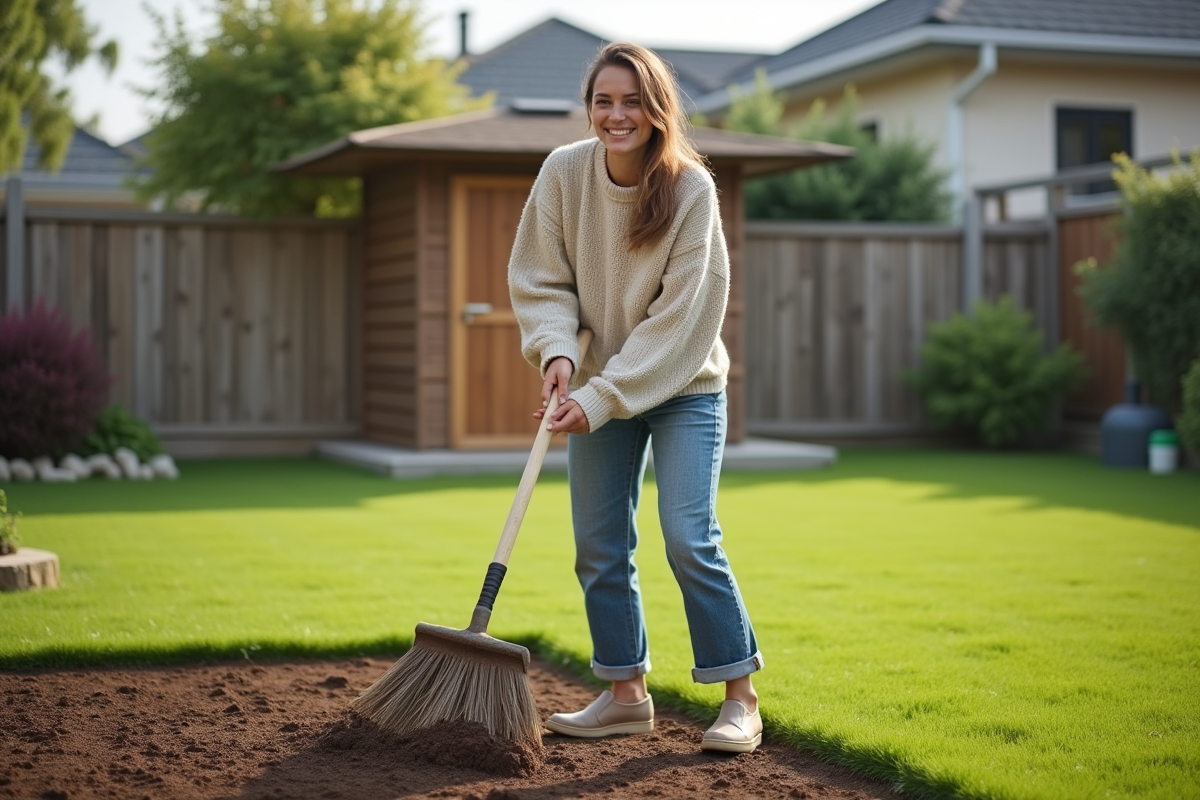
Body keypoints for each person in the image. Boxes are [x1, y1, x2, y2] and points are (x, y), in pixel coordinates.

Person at [507, 42, 763, 754]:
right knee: (599, 546)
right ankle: (625, 696)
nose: (616, 115)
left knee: (688, 535)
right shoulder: (564, 172)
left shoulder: (691, 190)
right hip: (595, 384)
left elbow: (682, 320)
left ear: (657, 109)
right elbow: (539, 277)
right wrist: (557, 351)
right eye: (603, 101)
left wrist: (603, 394)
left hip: (683, 385)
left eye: (631, 101)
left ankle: (740, 697)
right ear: (589, 106)